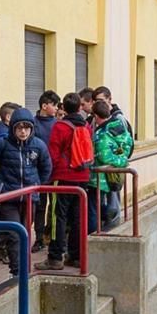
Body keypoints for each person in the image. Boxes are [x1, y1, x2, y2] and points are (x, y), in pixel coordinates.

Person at [0, 108, 52, 277]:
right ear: (13, 129)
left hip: (29, 197)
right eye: (19, 128)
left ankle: (24, 267)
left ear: (32, 128)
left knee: (25, 233)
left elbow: (46, 167)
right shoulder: (3, 143)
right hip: (9, 197)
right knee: (14, 234)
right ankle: (17, 271)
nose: (23, 131)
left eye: (26, 128)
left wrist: (37, 184)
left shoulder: (38, 145)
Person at [35, 92, 92, 271]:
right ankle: (75, 255)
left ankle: (55, 257)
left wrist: (50, 175)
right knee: (77, 217)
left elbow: (53, 154)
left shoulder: (60, 127)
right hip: (83, 176)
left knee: (57, 217)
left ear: (63, 108)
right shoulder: (86, 126)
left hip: (64, 177)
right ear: (80, 107)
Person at [88, 100, 135, 232]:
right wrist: (122, 159)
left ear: (96, 116)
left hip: (99, 177)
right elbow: (129, 144)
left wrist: (120, 162)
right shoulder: (119, 127)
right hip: (111, 175)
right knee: (97, 204)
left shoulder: (102, 134)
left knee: (92, 209)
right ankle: (108, 211)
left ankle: (92, 238)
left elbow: (103, 156)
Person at [0, 101, 20, 263]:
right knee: (9, 221)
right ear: (9, 117)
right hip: (6, 184)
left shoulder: (3, 132)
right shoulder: (4, 137)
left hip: (7, 184)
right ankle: (5, 251)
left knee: (7, 220)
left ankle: (4, 250)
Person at [32, 90, 61, 253]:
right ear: (44, 106)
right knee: (39, 207)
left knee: (55, 208)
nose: (56, 108)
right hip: (37, 174)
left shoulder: (58, 124)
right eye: (54, 105)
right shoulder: (33, 124)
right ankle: (39, 238)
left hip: (56, 172)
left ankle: (54, 237)